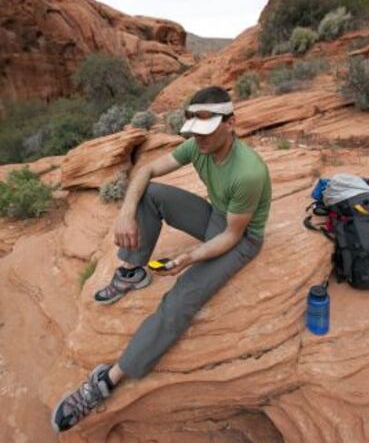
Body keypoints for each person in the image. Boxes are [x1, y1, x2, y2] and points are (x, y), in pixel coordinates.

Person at [51, 85, 272, 432]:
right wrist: (125, 212)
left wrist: (190, 257)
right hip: (218, 216)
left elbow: (231, 235)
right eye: (193, 131)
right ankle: (133, 272)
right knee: (149, 194)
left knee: (181, 299)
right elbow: (145, 172)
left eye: (206, 130)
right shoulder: (199, 146)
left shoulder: (248, 172)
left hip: (240, 237)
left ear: (231, 122)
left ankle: (108, 379)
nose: (198, 139)